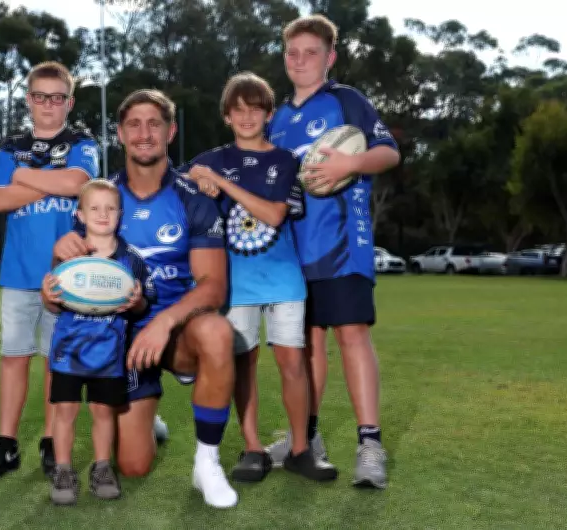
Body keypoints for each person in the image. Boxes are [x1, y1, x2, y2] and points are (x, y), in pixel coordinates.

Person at [49, 89, 240, 509]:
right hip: (119, 339)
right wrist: (58, 262)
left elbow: (213, 286)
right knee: (133, 465)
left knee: (217, 332)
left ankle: (207, 463)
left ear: (170, 132)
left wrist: (163, 322)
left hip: (177, 330)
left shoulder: (193, 197)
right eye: (133, 124)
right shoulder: (101, 198)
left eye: (154, 124)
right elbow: (68, 284)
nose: (144, 133)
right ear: (119, 134)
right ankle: (147, 416)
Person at [262, 15, 401, 489]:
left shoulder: (346, 101)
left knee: (351, 334)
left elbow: (389, 152)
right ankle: (305, 440)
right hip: (291, 251)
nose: (300, 60)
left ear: (330, 57)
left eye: (311, 52)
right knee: (305, 344)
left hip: (342, 243)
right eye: (293, 52)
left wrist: (352, 162)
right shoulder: (277, 119)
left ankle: (370, 445)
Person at [181, 72, 335, 483]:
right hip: (235, 281)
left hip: (283, 276)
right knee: (242, 363)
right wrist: (196, 177)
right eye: (238, 110)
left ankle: (300, 449)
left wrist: (221, 183)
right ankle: (252, 448)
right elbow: (177, 182)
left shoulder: (284, 160)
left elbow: (273, 214)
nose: (246, 117)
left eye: (255, 109)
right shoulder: (211, 159)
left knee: (292, 361)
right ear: (227, 116)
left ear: (268, 114)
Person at [0, 61, 100, 480]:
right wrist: (51, 178)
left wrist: (25, 176)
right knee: (14, 356)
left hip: (67, 274)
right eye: (40, 97)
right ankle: (6, 443)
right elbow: (1, 199)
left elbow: (79, 184)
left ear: (69, 102)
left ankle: (50, 439)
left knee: (53, 360)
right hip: (19, 272)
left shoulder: (81, 142)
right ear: (29, 100)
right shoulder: (11, 146)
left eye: (57, 97)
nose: (48, 104)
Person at [41, 179, 152, 505]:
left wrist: (137, 303)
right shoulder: (68, 256)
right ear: (80, 215)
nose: (103, 215)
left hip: (109, 353)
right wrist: (47, 296)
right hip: (68, 351)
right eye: (95, 208)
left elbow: (143, 306)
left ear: (120, 215)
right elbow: (52, 305)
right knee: (65, 411)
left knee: (103, 412)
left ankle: (102, 468)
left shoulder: (131, 260)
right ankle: (63, 469)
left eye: (110, 208)